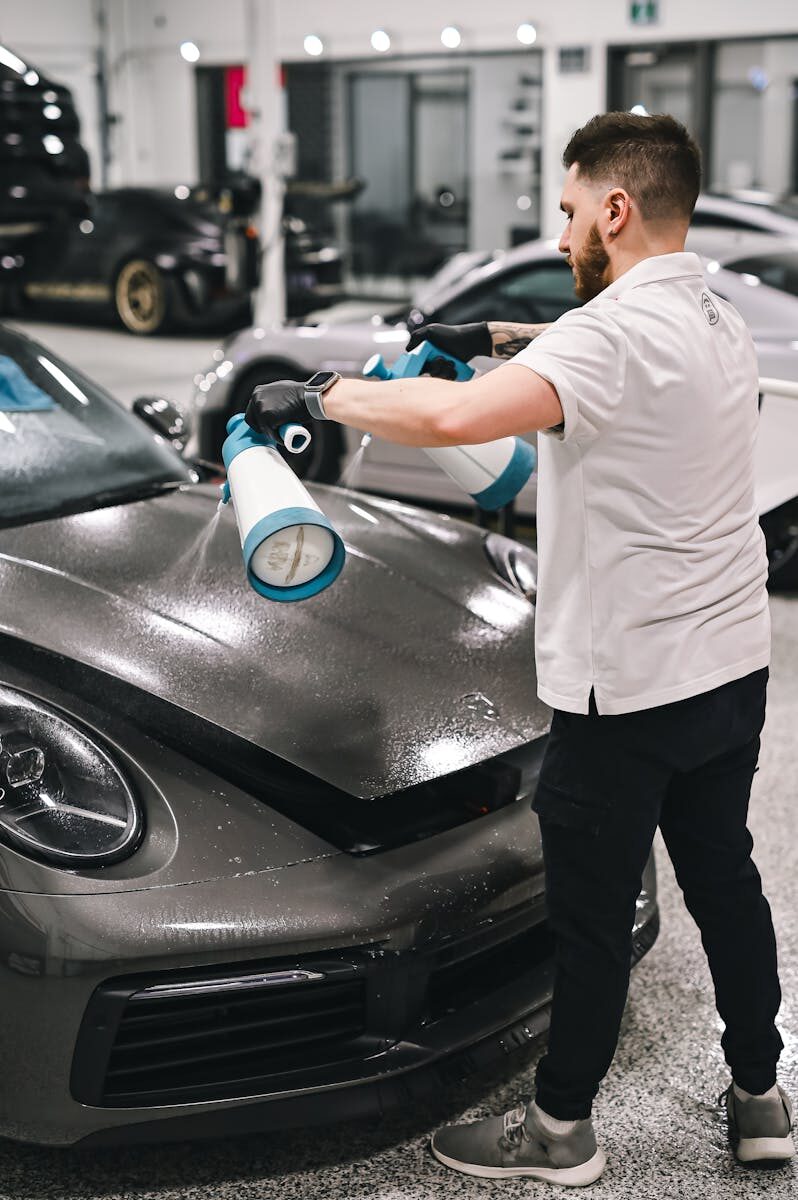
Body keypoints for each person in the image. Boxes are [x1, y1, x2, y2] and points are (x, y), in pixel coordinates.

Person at [244, 111, 794, 1186]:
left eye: (570, 209)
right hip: (730, 669)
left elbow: (452, 423)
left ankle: (559, 1132)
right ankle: (763, 1095)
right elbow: (585, 359)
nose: (561, 233)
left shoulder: (605, 338)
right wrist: (487, 336)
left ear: (617, 208)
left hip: (626, 691)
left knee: (587, 922)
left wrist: (317, 395)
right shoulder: (714, 318)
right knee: (727, 879)